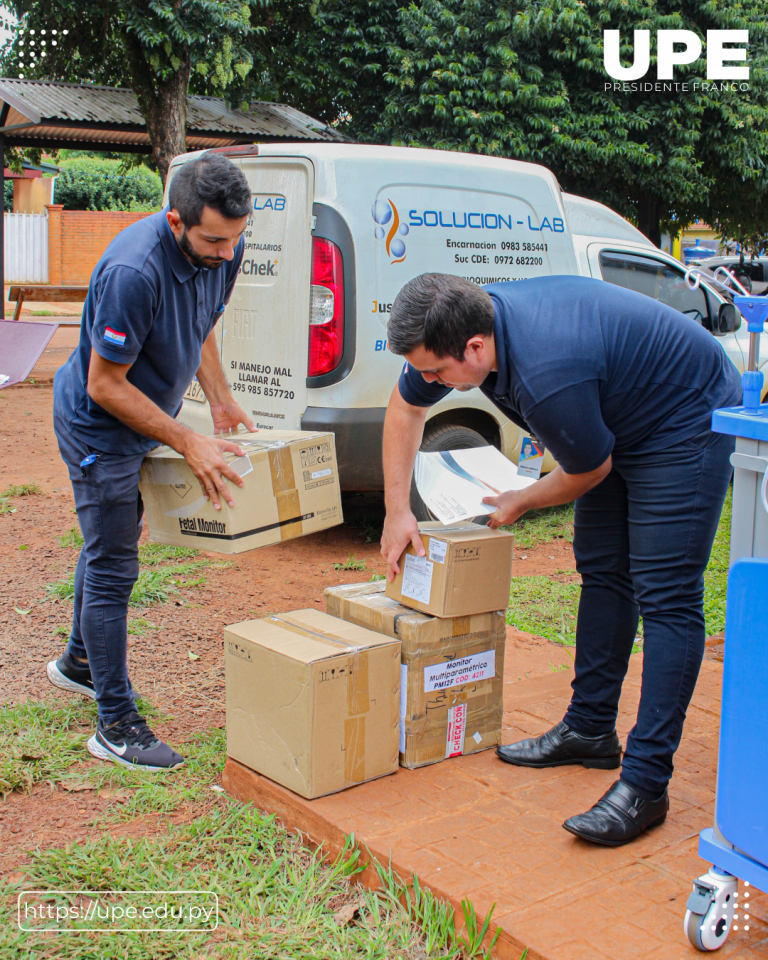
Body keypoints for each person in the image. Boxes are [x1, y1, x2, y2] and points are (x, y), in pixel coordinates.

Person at [380, 272, 741, 846]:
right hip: (613, 410)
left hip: (683, 416)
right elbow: (404, 410)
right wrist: (396, 510)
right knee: (603, 571)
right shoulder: (459, 334)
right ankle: (591, 729)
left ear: (475, 348)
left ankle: (647, 783)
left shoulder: (547, 373)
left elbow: (589, 469)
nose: (430, 382)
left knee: (666, 594)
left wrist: (523, 498)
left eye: (437, 373)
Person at [47, 153, 256, 772]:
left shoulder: (225, 246)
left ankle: (79, 663)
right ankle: (114, 723)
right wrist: (186, 440)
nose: (226, 252)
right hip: (99, 427)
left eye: (235, 239)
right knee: (115, 563)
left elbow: (203, 322)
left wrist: (217, 402)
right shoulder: (133, 272)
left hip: (145, 414)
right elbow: (104, 385)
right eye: (213, 239)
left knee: (109, 540)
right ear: (174, 222)